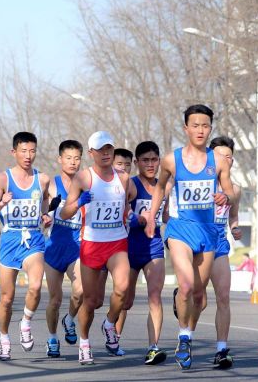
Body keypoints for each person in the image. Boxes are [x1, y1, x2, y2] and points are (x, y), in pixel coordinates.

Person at [145, 104, 234, 370]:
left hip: (208, 232)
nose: (200, 130)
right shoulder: (171, 160)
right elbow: (160, 188)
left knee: (198, 294)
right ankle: (184, 337)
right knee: (185, 286)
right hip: (180, 230)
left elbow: (229, 192)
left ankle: (188, 333)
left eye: (205, 125)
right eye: (195, 125)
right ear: (186, 128)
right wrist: (152, 216)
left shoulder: (217, 162)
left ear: (210, 128)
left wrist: (224, 197)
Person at [60, 131, 131, 366]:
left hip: (117, 241)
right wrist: (78, 203)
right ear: (91, 153)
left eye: (109, 148)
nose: (106, 153)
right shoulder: (83, 178)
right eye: (100, 150)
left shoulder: (123, 178)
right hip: (91, 243)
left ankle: (110, 323)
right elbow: (65, 212)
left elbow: (127, 204)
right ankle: (84, 342)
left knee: (122, 288)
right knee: (91, 301)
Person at [0, 131, 52, 361]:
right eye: (23, 151)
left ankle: (25, 323)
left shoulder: (42, 179)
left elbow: (45, 201)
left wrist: (45, 215)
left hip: (33, 239)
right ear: (14, 152)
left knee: (35, 286)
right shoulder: (3, 179)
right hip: (11, 240)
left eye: (32, 150)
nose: (28, 155)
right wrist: (2, 202)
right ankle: (4, 339)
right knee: (6, 298)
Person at [118, 141, 169, 365]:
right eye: (145, 160)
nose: (150, 164)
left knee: (155, 296)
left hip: (154, 245)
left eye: (154, 160)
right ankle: (114, 340)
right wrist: (136, 218)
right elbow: (121, 211)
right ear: (137, 162)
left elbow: (167, 217)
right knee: (124, 301)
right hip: (129, 247)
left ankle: (153, 347)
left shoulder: (165, 187)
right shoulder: (131, 184)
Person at [197, 136, 243, 369]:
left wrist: (235, 228)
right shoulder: (199, 182)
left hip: (219, 242)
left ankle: (221, 350)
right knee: (199, 300)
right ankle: (185, 337)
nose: (225, 159)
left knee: (223, 296)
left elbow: (233, 216)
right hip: (197, 242)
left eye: (228, 156)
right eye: (219, 156)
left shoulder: (235, 189)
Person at [44, 140, 84, 358]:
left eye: (76, 158)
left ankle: (69, 319)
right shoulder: (51, 185)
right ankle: (52, 338)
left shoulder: (85, 186)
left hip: (75, 248)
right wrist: (44, 216)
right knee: (54, 299)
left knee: (80, 291)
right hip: (52, 249)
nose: (72, 162)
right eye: (68, 158)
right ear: (60, 159)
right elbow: (40, 211)